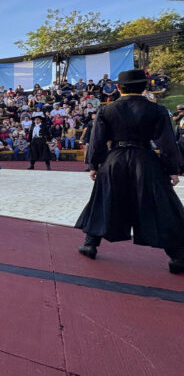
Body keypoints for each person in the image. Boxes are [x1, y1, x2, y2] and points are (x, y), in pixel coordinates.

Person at [75, 70, 184, 273]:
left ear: (118, 87)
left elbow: (97, 141)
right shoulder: (157, 110)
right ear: (144, 87)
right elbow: (167, 142)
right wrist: (172, 169)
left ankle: (90, 244)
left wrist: (94, 165)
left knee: (104, 199)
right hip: (145, 159)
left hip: (114, 160)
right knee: (161, 204)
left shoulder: (106, 110)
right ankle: (177, 256)